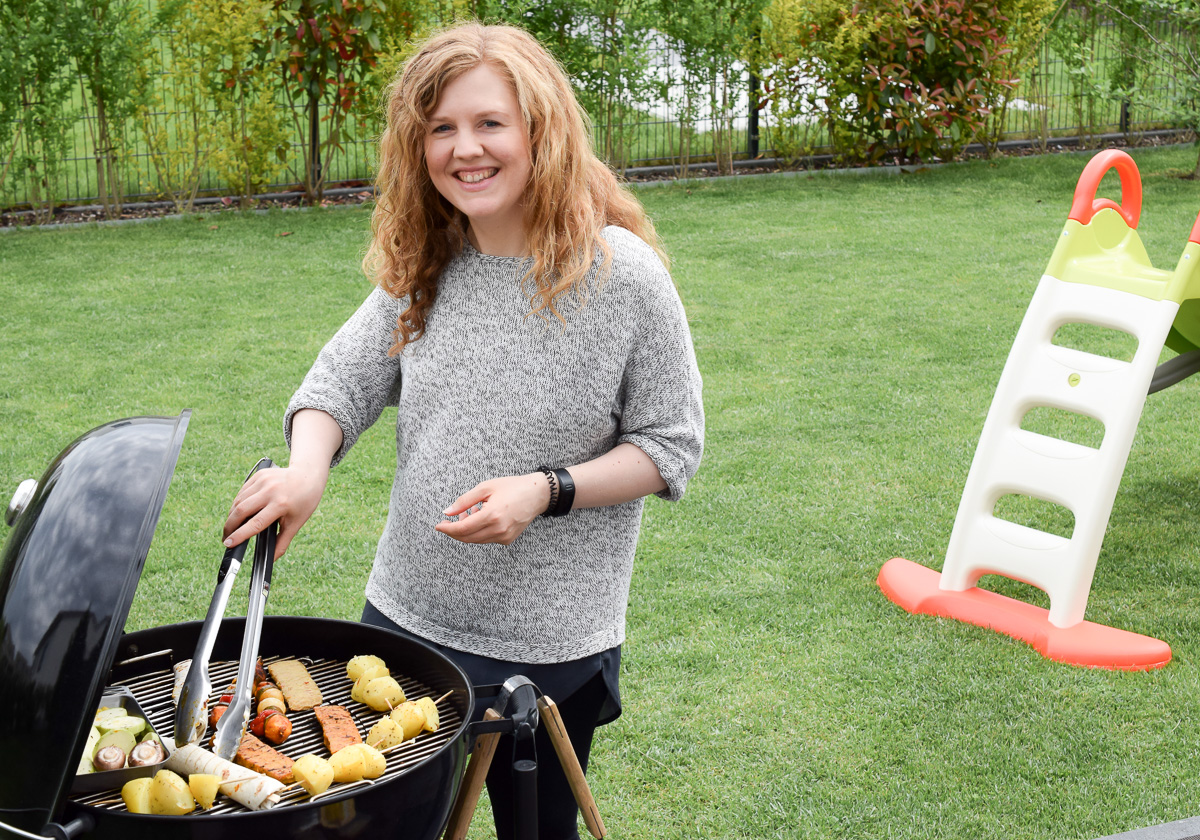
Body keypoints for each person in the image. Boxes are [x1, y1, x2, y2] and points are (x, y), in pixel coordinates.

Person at [223, 21, 703, 840]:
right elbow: (337, 385)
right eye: (441, 128)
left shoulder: (624, 276)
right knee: (373, 827)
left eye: (489, 123)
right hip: (403, 620)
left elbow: (670, 445)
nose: (464, 149)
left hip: (550, 644)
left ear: (538, 132)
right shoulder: (431, 262)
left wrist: (546, 491)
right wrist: (307, 469)